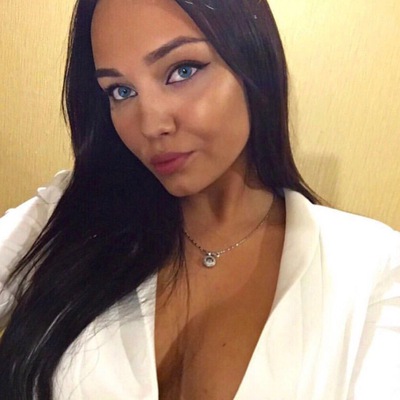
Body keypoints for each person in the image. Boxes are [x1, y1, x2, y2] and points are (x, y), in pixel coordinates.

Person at [0, 0, 399, 399]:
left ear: (253, 62)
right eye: (121, 91)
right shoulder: (71, 213)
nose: (151, 124)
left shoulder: (372, 270)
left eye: (182, 71)